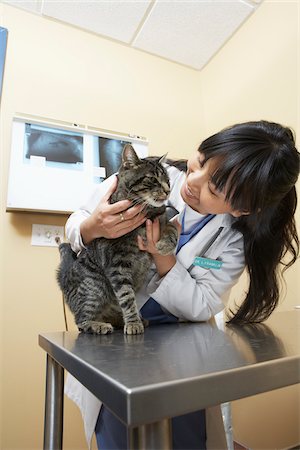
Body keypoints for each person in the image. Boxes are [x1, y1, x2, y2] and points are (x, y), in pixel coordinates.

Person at [64, 120, 299, 449]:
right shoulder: (153, 177)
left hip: (182, 355)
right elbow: (75, 224)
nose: (192, 182)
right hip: (118, 345)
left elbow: (203, 304)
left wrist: (162, 256)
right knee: (120, 435)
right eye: (201, 161)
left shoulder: (233, 240)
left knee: (184, 437)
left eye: (214, 189)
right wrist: (92, 226)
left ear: (243, 209)